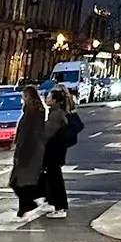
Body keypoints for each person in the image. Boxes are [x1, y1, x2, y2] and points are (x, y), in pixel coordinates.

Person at [41, 86, 82, 220]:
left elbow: (47, 134)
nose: (46, 98)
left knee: (55, 179)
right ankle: (55, 203)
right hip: (55, 150)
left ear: (55, 101)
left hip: (53, 151)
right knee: (53, 177)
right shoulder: (56, 112)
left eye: (49, 97)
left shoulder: (56, 114)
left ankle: (60, 207)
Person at [10, 84, 49, 221]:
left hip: (29, 150)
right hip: (31, 149)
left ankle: (29, 203)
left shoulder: (34, 112)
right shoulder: (33, 111)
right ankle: (26, 205)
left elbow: (28, 134)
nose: (23, 99)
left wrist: (19, 152)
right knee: (21, 181)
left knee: (17, 181)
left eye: (25, 96)